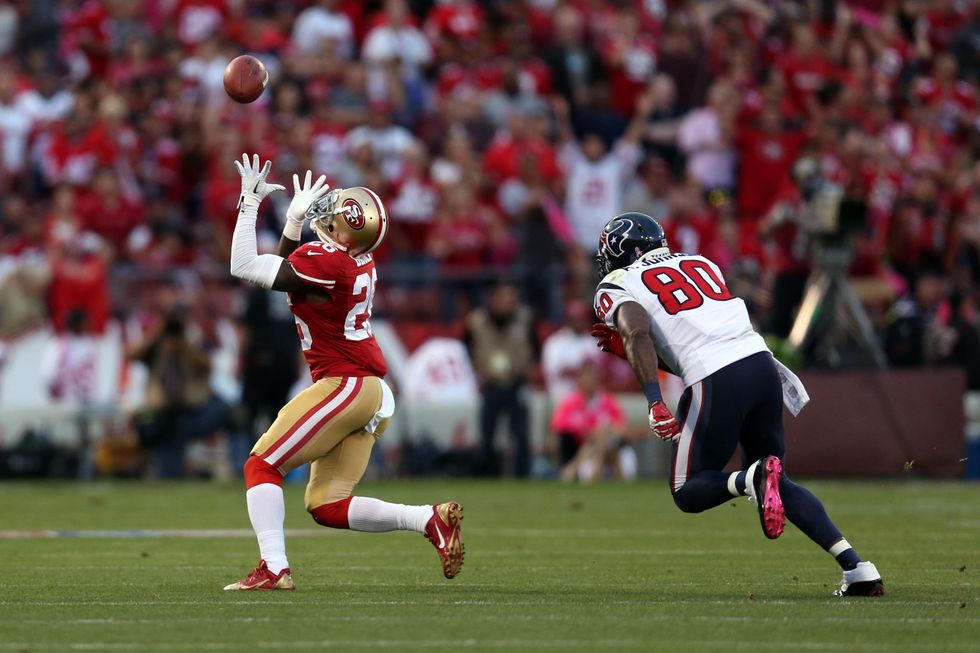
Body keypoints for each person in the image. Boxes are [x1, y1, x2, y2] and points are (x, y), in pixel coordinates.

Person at [589, 212, 884, 597]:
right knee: (777, 478)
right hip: (760, 365)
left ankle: (749, 479)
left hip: (715, 377)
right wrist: (637, 350)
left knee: (688, 489)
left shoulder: (617, 281)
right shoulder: (699, 261)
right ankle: (858, 568)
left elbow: (639, 330)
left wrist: (653, 399)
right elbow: (687, 334)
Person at [224, 154, 463, 591]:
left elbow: (245, 267)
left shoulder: (327, 261)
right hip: (368, 389)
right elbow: (288, 276)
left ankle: (274, 568)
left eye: (333, 219)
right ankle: (428, 519)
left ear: (345, 230)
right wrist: (293, 226)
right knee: (325, 505)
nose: (325, 219)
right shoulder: (352, 261)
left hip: (345, 384)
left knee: (261, 464)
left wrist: (249, 202)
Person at [464, 283, 538, 477]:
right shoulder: (476, 321)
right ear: (493, 300)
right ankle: (486, 474)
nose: (508, 304)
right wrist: (478, 370)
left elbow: (535, 346)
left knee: (521, 433)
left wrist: (528, 369)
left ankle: (523, 474)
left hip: (517, 381)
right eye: (504, 299)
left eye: (511, 300)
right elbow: (467, 348)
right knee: (487, 432)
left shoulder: (525, 318)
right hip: (491, 383)